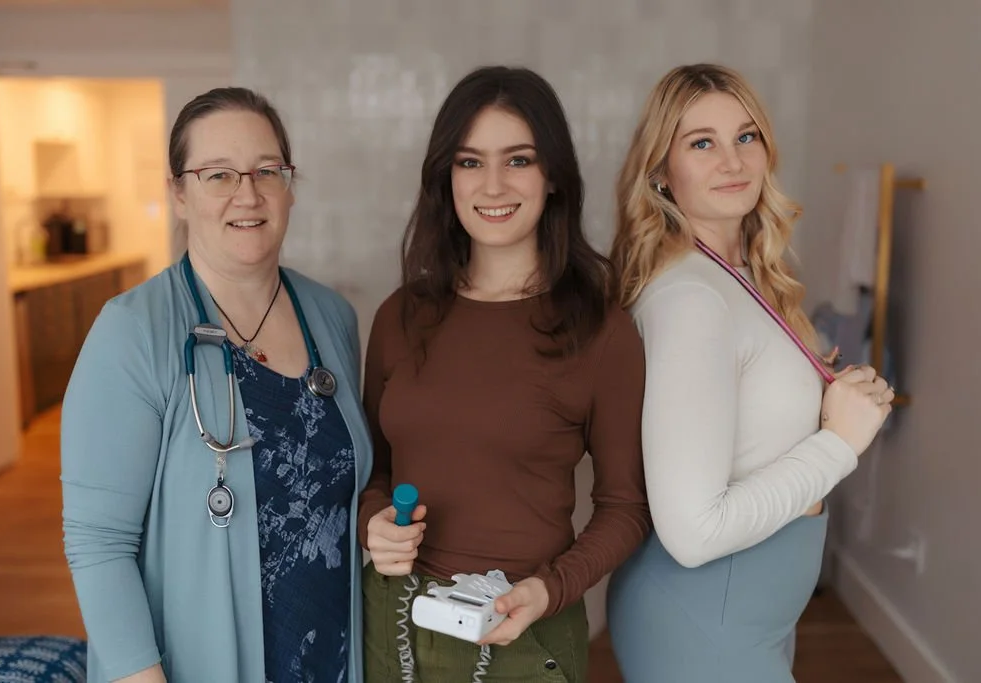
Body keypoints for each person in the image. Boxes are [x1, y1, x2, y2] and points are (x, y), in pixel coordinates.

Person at [60, 87, 372, 683]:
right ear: (179, 192)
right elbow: (98, 545)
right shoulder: (134, 332)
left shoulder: (333, 318)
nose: (247, 194)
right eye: (218, 174)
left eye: (266, 171)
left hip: (328, 653)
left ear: (289, 185)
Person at [358, 65, 652, 682]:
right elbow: (374, 473)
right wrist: (372, 525)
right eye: (469, 162)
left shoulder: (602, 330)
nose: (492, 184)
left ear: (553, 178)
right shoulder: (400, 316)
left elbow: (625, 506)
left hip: (525, 629)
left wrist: (550, 590)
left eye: (518, 159)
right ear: (446, 178)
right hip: (393, 622)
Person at [605, 63, 894, 683]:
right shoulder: (692, 301)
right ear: (660, 171)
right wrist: (839, 442)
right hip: (705, 626)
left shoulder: (738, 275)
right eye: (701, 143)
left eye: (747, 136)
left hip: (745, 617)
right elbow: (694, 531)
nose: (732, 161)